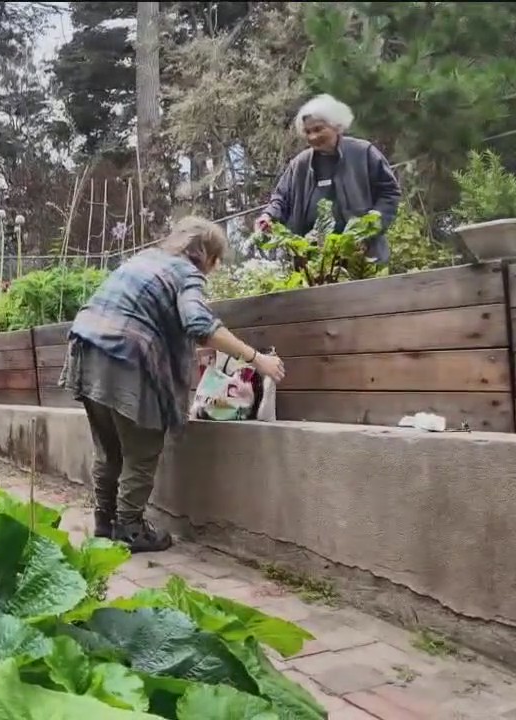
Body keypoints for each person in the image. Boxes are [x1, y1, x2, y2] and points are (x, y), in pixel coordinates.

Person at [60, 217, 287, 553]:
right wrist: (257, 359)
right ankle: (130, 529)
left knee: (108, 449)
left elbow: (153, 317)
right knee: (142, 449)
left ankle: (105, 522)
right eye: (216, 261)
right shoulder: (186, 273)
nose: (213, 269)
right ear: (207, 256)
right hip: (125, 355)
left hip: (86, 348)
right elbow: (199, 323)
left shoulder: (143, 260)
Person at [256, 94, 401, 264]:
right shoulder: (299, 165)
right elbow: (281, 199)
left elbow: (389, 193)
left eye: (318, 129)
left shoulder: (363, 153)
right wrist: (268, 216)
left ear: (336, 126)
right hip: (313, 263)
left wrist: (371, 225)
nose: (312, 137)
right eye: (308, 132)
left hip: (362, 257)